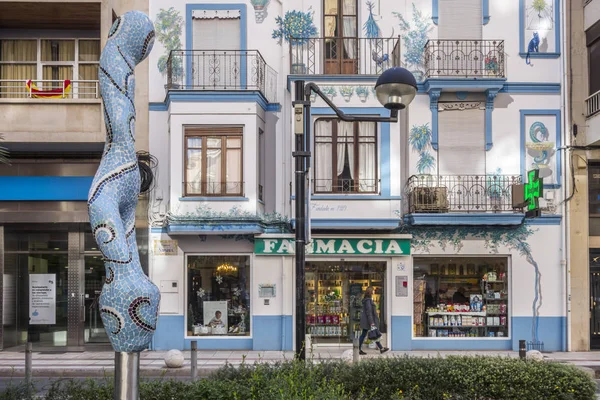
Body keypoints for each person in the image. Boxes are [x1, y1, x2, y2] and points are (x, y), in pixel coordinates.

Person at [359, 286, 389, 355]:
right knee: (365, 335)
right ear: (370, 292)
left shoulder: (367, 300)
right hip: (368, 321)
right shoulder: (368, 301)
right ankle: (358, 349)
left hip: (368, 321)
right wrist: (371, 322)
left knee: (373, 334)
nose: (374, 291)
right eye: (373, 290)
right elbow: (369, 312)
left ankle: (381, 348)